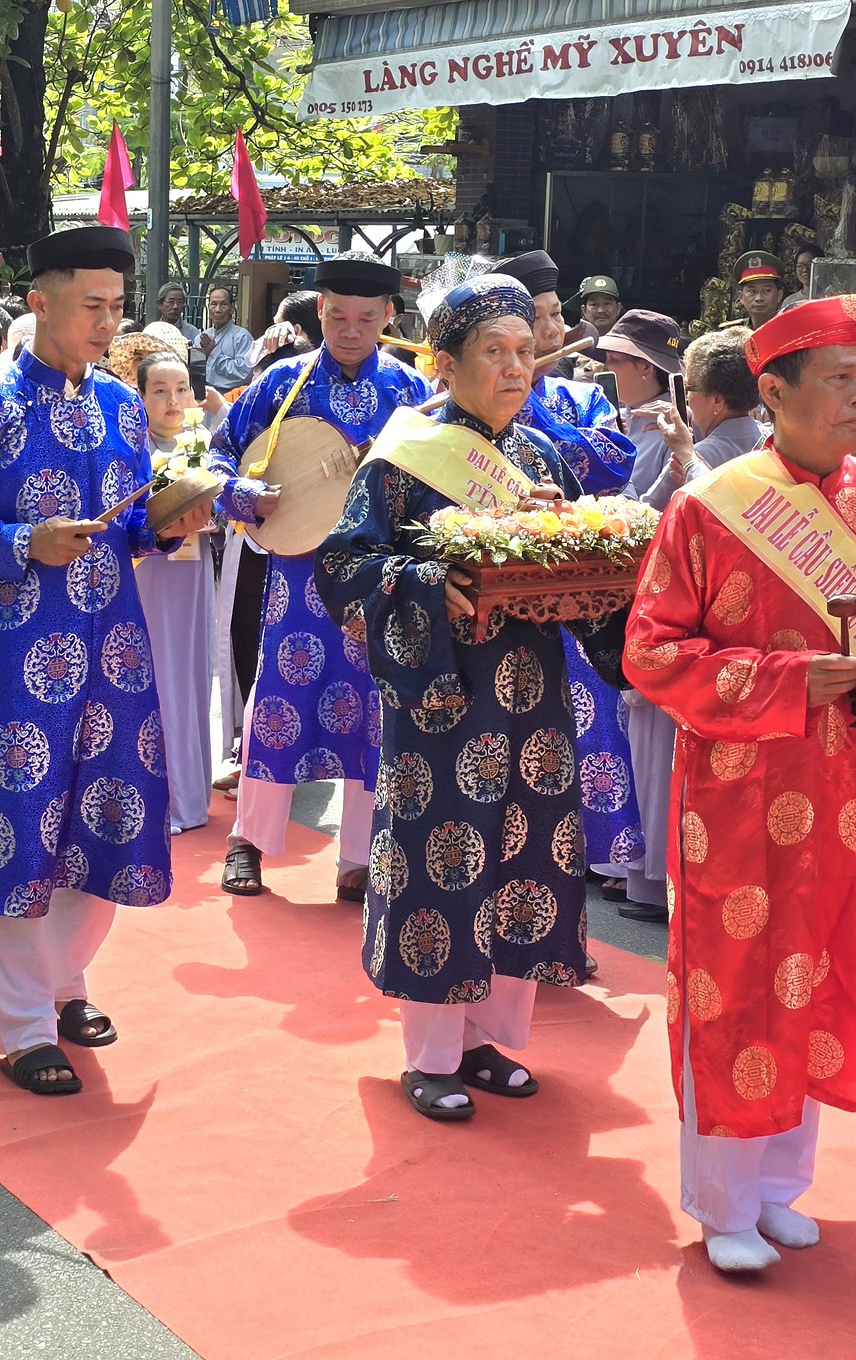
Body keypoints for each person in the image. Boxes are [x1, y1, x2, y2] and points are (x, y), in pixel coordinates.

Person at [625, 295, 856, 1273]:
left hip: (844, 781)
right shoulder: (706, 506)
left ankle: (777, 1184)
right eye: (839, 381)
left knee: (818, 963)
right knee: (736, 975)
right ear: (772, 392)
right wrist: (771, 678)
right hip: (733, 782)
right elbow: (649, 650)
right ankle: (721, 1198)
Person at [0, 224, 212, 1095]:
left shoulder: (119, 406)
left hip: (114, 648)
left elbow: (129, 525)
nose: (108, 324)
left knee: (100, 818)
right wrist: (15, 541)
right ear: (40, 302)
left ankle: (64, 982)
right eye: (91, 307)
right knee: (15, 825)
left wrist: (164, 523)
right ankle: (20, 1025)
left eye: (118, 307)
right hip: (12, 659)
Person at [318, 272, 625, 1120]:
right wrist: (425, 583)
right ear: (446, 364)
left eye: (525, 351)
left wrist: (583, 562)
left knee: (527, 854)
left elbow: (585, 576)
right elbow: (343, 567)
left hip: (535, 700)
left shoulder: (542, 455)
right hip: (442, 701)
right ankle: (430, 1054)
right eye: (495, 352)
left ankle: (490, 1038)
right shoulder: (405, 456)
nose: (517, 367)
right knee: (442, 859)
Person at [207, 253, 432, 900]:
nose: (350, 330)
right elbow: (217, 453)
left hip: (381, 577)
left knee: (373, 710)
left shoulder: (414, 391)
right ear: (322, 312)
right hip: (299, 575)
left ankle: (358, 859)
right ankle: (248, 840)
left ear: (389, 318)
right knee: (279, 700)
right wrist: (246, 496)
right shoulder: (283, 382)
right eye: (338, 316)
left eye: (366, 318)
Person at [497, 252, 643, 893]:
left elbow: (616, 460)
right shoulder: (467, 407)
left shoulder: (580, 394)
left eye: (558, 317)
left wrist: (540, 418)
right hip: (501, 584)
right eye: (546, 318)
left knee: (592, 708)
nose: (559, 331)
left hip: (575, 579)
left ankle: (603, 847)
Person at [615, 326, 767, 921]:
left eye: (694, 392)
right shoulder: (741, 441)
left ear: (712, 400)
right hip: (711, 618)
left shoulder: (724, 450)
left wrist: (682, 455)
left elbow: (669, 514)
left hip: (699, 618)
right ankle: (657, 878)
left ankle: (662, 880)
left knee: (668, 752)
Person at [132, 349, 217, 834]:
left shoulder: (204, 446)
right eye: (159, 390)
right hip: (147, 576)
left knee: (189, 676)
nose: (171, 400)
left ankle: (187, 797)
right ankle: (152, 797)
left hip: (192, 575)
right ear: (141, 396)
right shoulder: (129, 450)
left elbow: (229, 507)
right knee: (154, 676)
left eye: (181, 389)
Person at [500, 252, 636, 493]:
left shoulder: (586, 399)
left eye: (555, 314)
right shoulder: (477, 400)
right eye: (534, 318)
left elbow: (615, 465)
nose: (553, 330)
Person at [198, 285, 256, 391]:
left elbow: (243, 373)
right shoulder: (201, 337)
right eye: (214, 304)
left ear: (232, 308)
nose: (218, 310)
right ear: (209, 307)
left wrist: (214, 353)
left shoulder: (242, 337)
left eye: (223, 304)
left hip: (232, 396)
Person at [734, 251, 787, 331]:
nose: (759, 298)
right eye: (752, 291)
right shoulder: (733, 334)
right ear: (741, 297)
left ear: (779, 296)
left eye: (767, 290)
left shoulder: (790, 330)